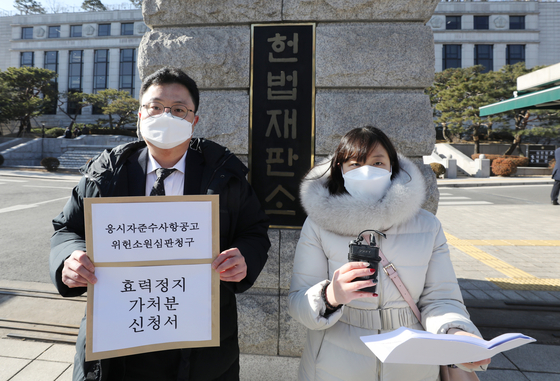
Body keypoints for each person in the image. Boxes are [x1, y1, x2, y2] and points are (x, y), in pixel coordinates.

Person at [50, 67, 271, 381]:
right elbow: (67, 229)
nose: (165, 116)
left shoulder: (223, 177)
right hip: (118, 343)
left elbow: (254, 230)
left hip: (199, 346)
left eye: (178, 109)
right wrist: (68, 259)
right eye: (155, 107)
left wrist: (244, 257)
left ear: (193, 121)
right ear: (140, 114)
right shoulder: (106, 175)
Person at [288, 126, 490, 381]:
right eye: (355, 164)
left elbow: (441, 298)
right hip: (334, 366)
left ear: (392, 167)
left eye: (377, 162)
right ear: (341, 169)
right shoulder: (319, 224)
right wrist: (330, 296)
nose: (366, 171)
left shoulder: (427, 226)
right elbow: (297, 303)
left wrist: (455, 332)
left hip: (412, 367)